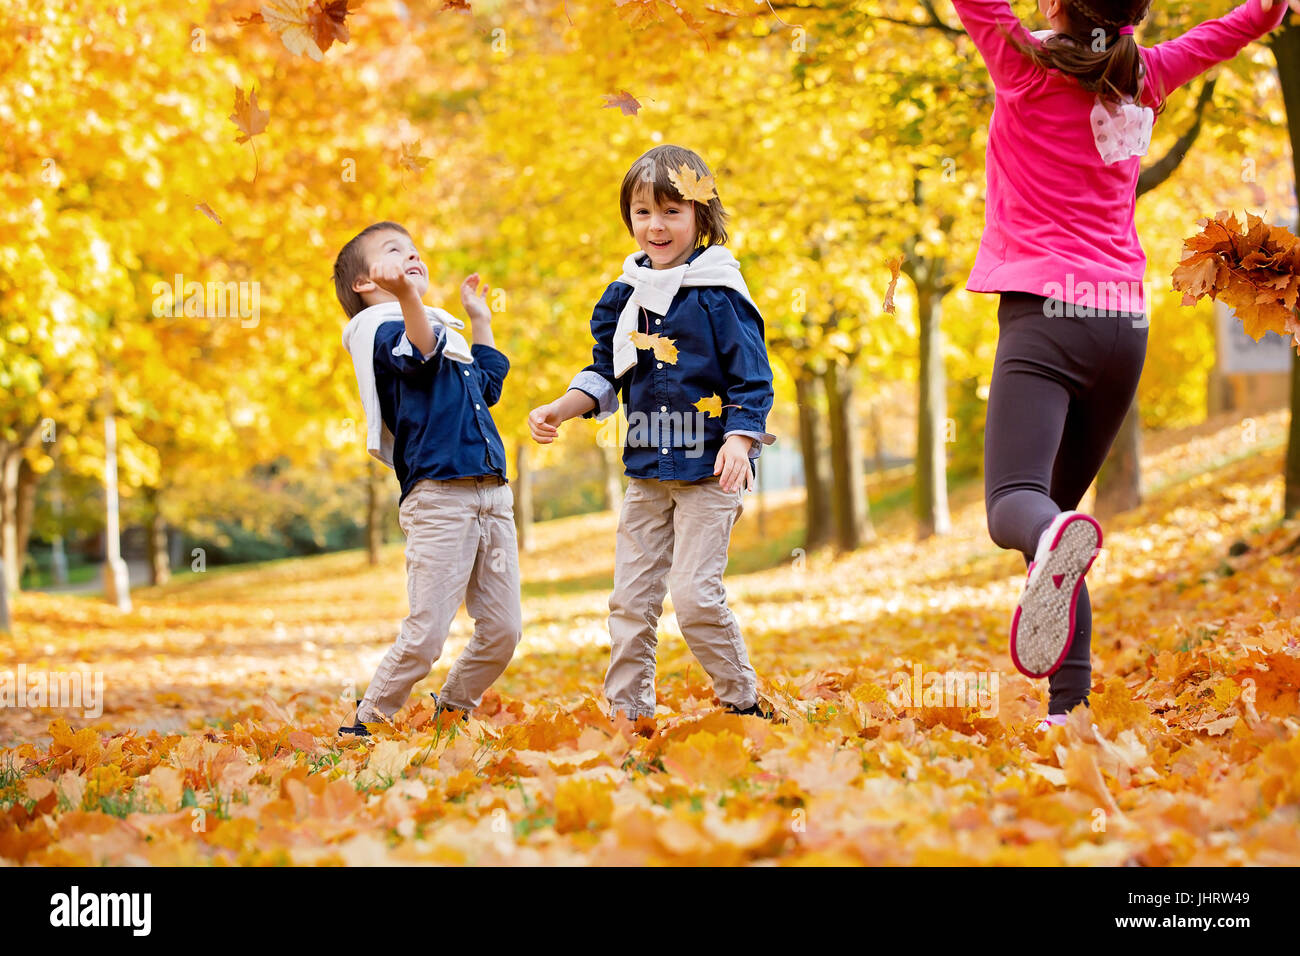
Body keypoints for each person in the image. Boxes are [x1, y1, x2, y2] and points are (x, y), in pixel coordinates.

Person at [951, 0, 1295, 729]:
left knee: (1014, 509)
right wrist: (1269, 7)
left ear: (1054, 5)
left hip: (1045, 316)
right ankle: (1067, 712)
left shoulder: (1023, 66)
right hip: (1123, 326)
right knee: (1057, 528)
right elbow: (1220, 35)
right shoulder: (1148, 74)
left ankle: (1050, 552)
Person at [528, 145, 776, 722]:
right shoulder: (623, 296)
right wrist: (562, 408)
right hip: (645, 472)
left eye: (671, 211)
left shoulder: (718, 294)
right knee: (631, 601)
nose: (655, 226)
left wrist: (740, 440)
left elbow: (753, 378)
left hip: (710, 472)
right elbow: (604, 372)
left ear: (701, 216)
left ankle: (742, 701)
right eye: (643, 212)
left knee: (693, 598)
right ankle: (628, 715)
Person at [335, 221, 521, 736]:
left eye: (414, 251)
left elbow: (487, 387)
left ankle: (453, 710)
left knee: (504, 629)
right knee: (426, 633)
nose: (412, 256)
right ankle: (368, 721)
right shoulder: (378, 328)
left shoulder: (442, 329)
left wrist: (478, 321)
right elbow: (420, 356)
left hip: (492, 493)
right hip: (439, 499)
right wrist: (407, 298)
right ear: (364, 283)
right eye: (395, 252)